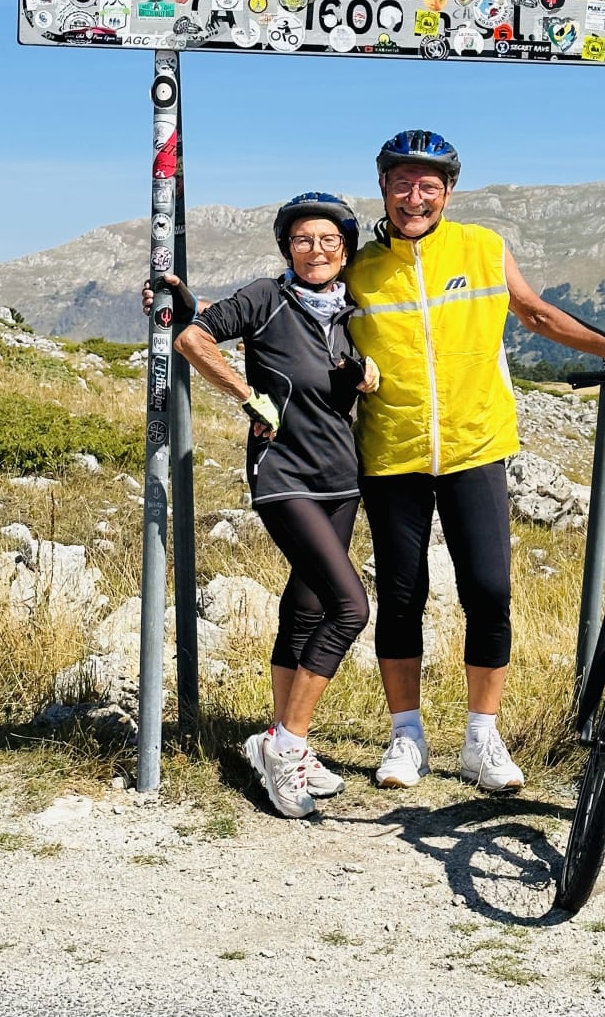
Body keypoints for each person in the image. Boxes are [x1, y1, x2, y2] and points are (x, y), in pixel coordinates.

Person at [346, 130, 605, 794]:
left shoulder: (482, 249)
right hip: (392, 449)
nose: (414, 196)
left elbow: (536, 314)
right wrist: (188, 310)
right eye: (402, 183)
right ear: (383, 187)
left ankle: (480, 739)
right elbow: (296, 300)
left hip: (475, 444)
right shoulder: (360, 264)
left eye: (428, 185)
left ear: (448, 192)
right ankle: (406, 735)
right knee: (402, 599)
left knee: (489, 592)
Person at [171, 192, 379, 818]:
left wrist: (366, 377)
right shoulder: (267, 296)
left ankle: (281, 740)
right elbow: (194, 337)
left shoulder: (351, 313)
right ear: (287, 247)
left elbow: (360, 376)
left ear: (345, 250)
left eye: (328, 242)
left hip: (341, 480)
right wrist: (246, 395)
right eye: (302, 241)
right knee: (350, 609)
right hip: (283, 474)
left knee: (305, 609)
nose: (315, 252)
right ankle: (285, 748)